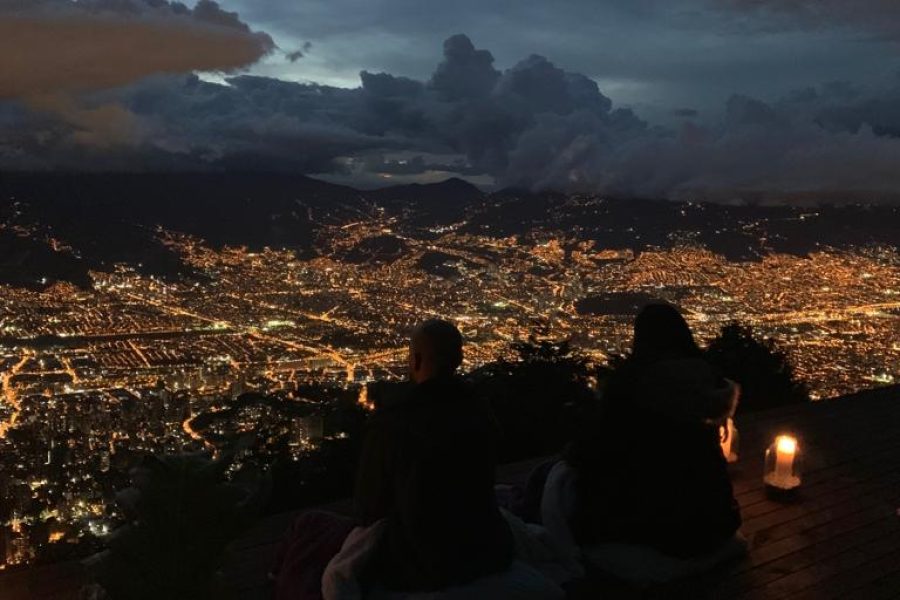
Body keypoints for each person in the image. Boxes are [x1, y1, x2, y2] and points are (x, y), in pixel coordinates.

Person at [544, 304, 744, 584]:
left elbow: (595, 451)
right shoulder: (710, 383)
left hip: (654, 528)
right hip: (714, 523)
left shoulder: (630, 384)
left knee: (561, 480)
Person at [350, 319, 515, 592]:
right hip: (486, 550)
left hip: (418, 564)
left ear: (415, 360)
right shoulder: (481, 412)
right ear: (460, 359)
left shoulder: (392, 423)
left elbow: (368, 506)